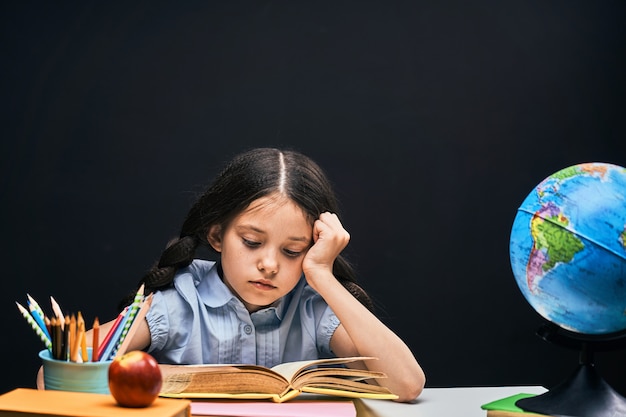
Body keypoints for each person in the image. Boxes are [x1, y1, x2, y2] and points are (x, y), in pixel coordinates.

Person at [98, 148, 425, 401]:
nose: (269, 265)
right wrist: (171, 376)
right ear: (216, 236)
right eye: (252, 242)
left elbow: (406, 385)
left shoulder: (313, 307)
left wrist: (322, 274)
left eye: (292, 251)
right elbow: (53, 377)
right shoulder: (178, 301)